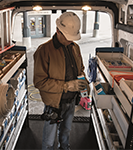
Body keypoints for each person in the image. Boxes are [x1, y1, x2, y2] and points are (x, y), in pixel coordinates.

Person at [33, 12, 90, 150]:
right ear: (58, 30)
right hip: (54, 104)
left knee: (65, 133)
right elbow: (39, 82)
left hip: (71, 101)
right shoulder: (44, 50)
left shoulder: (75, 47)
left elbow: (80, 69)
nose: (71, 40)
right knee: (49, 141)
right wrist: (66, 86)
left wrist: (84, 82)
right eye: (68, 37)